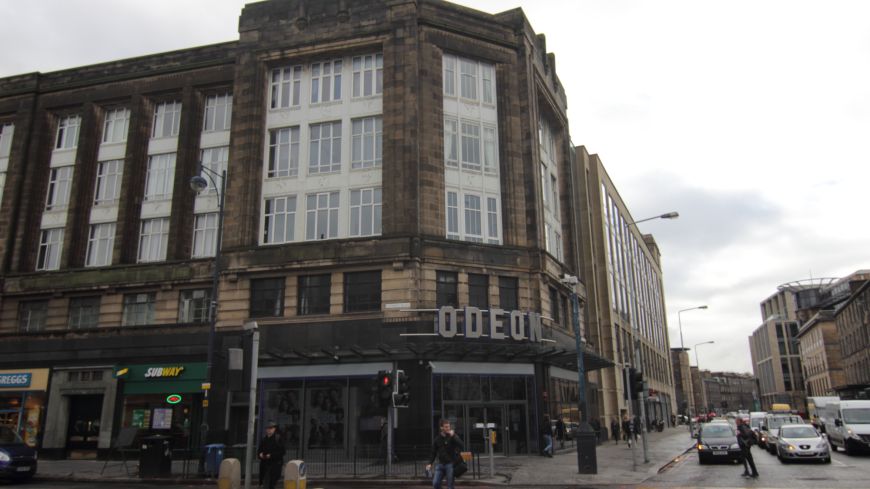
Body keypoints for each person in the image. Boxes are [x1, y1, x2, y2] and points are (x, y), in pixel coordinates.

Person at [427, 419, 464, 489]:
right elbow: (433, 452)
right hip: (440, 465)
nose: (448, 428)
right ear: (441, 428)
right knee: (435, 483)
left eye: (449, 426)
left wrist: (454, 436)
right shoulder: (437, 439)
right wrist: (429, 463)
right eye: (446, 427)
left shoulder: (452, 437)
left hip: (450, 464)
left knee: (450, 486)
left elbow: (462, 445)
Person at [258, 421, 286, 489]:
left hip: (275, 465)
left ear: (274, 429)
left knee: (272, 483)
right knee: (265, 483)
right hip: (265, 464)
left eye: (270, 428)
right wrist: (260, 454)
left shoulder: (278, 438)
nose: (268, 430)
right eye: (267, 428)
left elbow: (282, 452)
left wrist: (271, 455)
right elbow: (259, 450)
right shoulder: (264, 439)